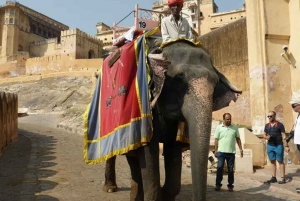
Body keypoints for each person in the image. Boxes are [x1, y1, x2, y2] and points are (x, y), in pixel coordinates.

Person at [214, 113, 243, 192]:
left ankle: (230, 185)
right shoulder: (219, 128)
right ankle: (218, 184)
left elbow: (238, 139)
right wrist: (215, 150)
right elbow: (216, 139)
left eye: (230, 119)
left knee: (230, 170)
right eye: (227, 119)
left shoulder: (234, 128)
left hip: (231, 153)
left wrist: (241, 149)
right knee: (219, 168)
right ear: (223, 119)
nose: (229, 120)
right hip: (221, 152)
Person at [263, 111, 289, 184]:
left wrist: (286, 145)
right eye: (268, 116)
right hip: (270, 145)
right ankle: (273, 177)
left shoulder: (280, 125)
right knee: (272, 161)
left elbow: (284, 136)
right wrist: (266, 137)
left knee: (280, 161)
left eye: (271, 116)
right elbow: (264, 135)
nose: (269, 118)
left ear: (274, 116)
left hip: (278, 145)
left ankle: (283, 178)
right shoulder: (267, 125)